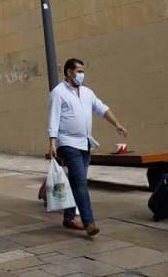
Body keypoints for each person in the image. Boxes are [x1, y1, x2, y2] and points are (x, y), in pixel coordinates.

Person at [47, 58, 128, 236]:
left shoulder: (87, 92)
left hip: (85, 143)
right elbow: (53, 118)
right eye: (79, 71)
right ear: (69, 72)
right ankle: (89, 222)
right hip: (67, 143)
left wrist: (117, 124)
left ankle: (68, 217)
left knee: (76, 181)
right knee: (81, 182)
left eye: (83, 71)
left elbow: (102, 108)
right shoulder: (58, 93)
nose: (82, 74)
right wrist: (52, 142)